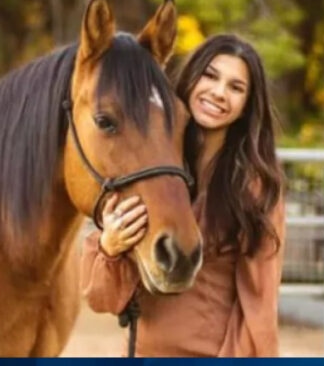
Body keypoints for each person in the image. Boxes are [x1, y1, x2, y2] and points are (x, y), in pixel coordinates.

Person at [80, 34, 286, 357]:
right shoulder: (149, 168)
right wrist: (111, 246)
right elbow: (101, 299)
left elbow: (259, 307)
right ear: (192, 77)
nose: (219, 93)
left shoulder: (252, 186)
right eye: (211, 75)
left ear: (247, 105)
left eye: (236, 88)